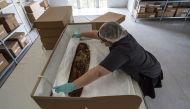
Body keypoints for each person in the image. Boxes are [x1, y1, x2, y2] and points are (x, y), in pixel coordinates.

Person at [53, 22, 163, 98]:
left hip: (148, 72)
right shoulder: (121, 34)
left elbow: (98, 72)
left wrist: (72, 86)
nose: (101, 42)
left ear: (111, 40)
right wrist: (80, 34)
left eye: (104, 41)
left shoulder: (122, 52)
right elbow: (97, 34)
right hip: (148, 59)